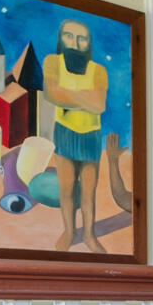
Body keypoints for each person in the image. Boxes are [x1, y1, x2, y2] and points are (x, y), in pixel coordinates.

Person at [45, 18, 109, 251]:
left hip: (90, 135)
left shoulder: (98, 70)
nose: (75, 42)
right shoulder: (52, 62)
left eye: (81, 38)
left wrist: (69, 94)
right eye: (69, 36)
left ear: (88, 43)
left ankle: (90, 235)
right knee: (67, 187)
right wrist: (85, 97)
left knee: (89, 192)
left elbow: (99, 104)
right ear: (61, 39)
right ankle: (70, 231)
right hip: (64, 132)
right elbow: (52, 94)